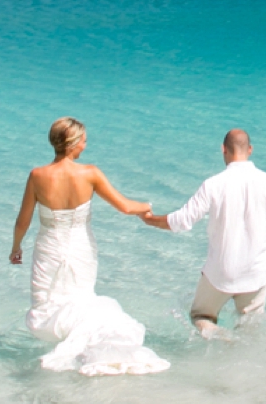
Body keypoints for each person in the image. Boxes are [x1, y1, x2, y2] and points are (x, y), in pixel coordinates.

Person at [11, 117, 168, 375]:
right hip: (81, 249)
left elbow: (22, 221)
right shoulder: (90, 174)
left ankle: (74, 349)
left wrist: (16, 248)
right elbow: (126, 206)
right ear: (73, 144)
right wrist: (147, 207)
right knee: (82, 299)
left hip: (48, 248)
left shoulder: (37, 176)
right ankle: (88, 352)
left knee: (47, 306)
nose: (85, 144)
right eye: (83, 140)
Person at [143, 128, 266, 337]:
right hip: (255, 275)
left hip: (220, 273)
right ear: (250, 150)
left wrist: (150, 219)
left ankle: (218, 335)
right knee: (250, 330)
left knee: (200, 316)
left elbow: (182, 220)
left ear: (223, 150)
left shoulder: (213, 185)